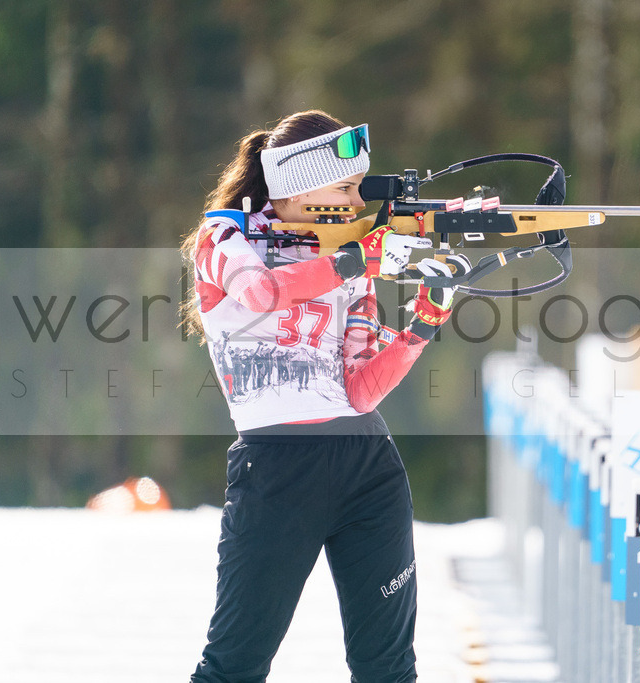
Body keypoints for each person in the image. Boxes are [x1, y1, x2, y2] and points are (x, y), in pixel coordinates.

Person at [181, 110, 455, 682]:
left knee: (388, 668)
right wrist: (361, 256)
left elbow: (359, 391)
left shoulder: (350, 262)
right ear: (295, 181)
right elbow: (259, 292)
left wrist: (423, 322)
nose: (357, 204)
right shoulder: (225, 238)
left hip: (369, 468)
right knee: (234, 665)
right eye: (346, 187)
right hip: (277, 471)